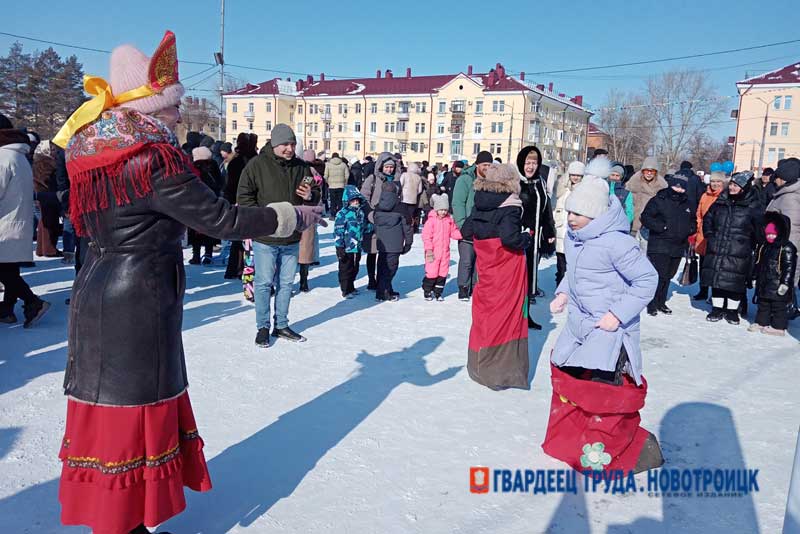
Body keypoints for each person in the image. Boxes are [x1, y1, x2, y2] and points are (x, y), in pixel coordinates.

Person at [49, 32, 322, 534]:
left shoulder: (94, 149)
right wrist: (290, 215)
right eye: (174, 106)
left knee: (112, 410)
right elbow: (220, 218)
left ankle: (124, 521)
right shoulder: (152, 157)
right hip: (138, 297)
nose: (179, 116)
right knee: (133, 414)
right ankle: (123, 524)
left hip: (97, 287)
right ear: (150, 107)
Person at [544, 177, 663, 474]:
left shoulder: (617, 243)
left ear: (595, 214)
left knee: (603, 390)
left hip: (609, 330)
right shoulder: (576, 238)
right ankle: (577, 437)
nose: (570, 218)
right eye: (569, 212)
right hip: (579, 325)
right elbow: (575, 273)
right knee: (571, 381)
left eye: (577, 213)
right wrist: (563, 293)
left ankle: (606, 446)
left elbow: (647, 280)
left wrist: (618, 314)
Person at [237, 123, 321, 347]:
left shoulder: (301, 167)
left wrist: (310, 195)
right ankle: (263, 327)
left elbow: (315, 194)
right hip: (265, 237)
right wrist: (261, 219)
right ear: (274, 144)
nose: (290, 149)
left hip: (291, 236)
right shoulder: (256, 165)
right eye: (285, 144)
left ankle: (281, 324)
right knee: (264, 283)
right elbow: (244, 197)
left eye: (292, 144)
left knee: (286, 283)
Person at [461, 163, 532, 390]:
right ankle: (501, 372)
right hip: (505, 269)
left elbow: (466, 231)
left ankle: (479, 365)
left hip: (485, 270)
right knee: (506, 315)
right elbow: (510, 239)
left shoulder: (479, 201)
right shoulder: (510, 205)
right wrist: (527, 238)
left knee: (485, 314)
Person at [0, 113, 50, 327]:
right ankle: (7, 310)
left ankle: (33, 302)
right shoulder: (18, 155)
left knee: (5, 271)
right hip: (17, 221)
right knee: (10, 270)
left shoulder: (2, 158)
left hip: (5, 223)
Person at [702, 171, 761, 324]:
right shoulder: (721, 200)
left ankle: (732, 311)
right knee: (717, 279)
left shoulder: (753, 205)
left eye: (737, 185)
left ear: (744, 187)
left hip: (739, 251)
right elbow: (708, 218)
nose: (732, 188)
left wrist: (748, 242)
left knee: (735, 282)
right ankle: (717, 309)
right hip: (718, 247)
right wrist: (710, 235)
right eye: (732, 184)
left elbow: (759, 229)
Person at [640, 173, 697, 315]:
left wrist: (689, 229)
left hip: (678, 245)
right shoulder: (659, 199)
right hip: (660, 243)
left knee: (668, 275)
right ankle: (652, 303)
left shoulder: (688, 203)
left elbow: (693, 221)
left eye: (682, 188)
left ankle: (661, 302)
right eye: (676, 186)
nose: (678, 190)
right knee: (659, 274)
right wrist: (661, 227)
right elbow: (645, 217)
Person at [517, 145, 556, 328]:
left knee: (529, 278)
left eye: (534, 163)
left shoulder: (539, 181)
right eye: (527, 162)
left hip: (534, 239)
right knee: (518, 279)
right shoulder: (515, 183)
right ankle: (515, 318)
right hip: (517, 239)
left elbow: (546, 208)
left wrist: (549, 231)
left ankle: (526, 316)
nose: (531, 166)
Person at [453, 152, 492, 301]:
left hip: (483, 227)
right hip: (467, 226)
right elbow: (458, 203)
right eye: (484, 165)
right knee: (467, 260)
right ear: (477, 165)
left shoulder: (491, 181)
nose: (487, 168)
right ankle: (463, 287)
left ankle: (476, 286)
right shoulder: (465, 179)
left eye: (489, 165)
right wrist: (462, 224)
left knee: (479, 261)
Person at [750, 212, 797, 336]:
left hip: (778, 284)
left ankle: (778, 327)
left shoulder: (787, 248)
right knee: (763, 304)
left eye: (773, 234)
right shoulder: (764, 246)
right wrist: (755, 277)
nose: (770, 236)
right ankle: (761, 322)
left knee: (778, 306)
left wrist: (785, 283)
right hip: (764, 283)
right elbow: (759, 263)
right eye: (767, 234)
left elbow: (789, 268)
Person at [360, 152, 399, 290]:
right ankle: (372, 279)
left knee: (386, 253)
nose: (389, 169)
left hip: (389, 222)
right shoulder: (372, 179)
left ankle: (382, 280)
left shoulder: (396, 182)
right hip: (373, 220)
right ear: (381, 166)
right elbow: (364, 198)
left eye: (391, 167)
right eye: (387, 167)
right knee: (372, 252)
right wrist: (370, 215)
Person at [373, 181, 412, 301]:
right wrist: (408, 243)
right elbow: (407, 227)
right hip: (395, 244)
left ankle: (384, 289)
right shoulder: (401, 207)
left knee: (382, 267)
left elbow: (375, 224)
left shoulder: (377, 206)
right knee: (390, 268)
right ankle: (383, 292)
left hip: (382, 243)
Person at [222, 133, 255, 277]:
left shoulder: (235, 161)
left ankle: (236, 268)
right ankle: (244, 267)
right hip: (249, 201)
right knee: (248, 237)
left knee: (238, 237)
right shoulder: (254, 160)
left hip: (237, 201)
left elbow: (229, 185)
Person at [692, 170, 726, 301]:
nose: (715, 184)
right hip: (703, 235)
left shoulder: (725, 196)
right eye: (713, 181)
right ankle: (703, 290)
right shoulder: (704, 195)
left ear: (723, 183)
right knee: (703, 265)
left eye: (718, 181)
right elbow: (699, 214)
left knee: (716, 266)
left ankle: (715, 293)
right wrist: (698, 229)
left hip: (717, 235)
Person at [188, 146, 225, 265]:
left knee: (195, 229)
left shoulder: (193, 166)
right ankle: (208, 254)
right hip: (211, 200)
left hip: (195, 203)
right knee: (209, 229)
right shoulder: (213, 165)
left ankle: (196, 255)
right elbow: (220, 182)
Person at [422, 193, 462, 301]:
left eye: (445, 210)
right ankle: (427, 290)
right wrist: (429, 249)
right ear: (436, 209)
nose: (443, 212)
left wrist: (463, 234)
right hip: (433, 252)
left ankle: (438, 292)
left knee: (443, 273)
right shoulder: (431, 221)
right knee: (431, 272)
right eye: (441, 210)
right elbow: (426, 236)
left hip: (445, 252)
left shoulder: (449, 220)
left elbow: (453, 232)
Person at [334, 185, 371, 298]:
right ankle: (345, 289)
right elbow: (338, 231)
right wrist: (339, 246)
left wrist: (373, 227)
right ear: (347, 201)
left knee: (355, 267)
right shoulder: (343, 213)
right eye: (353, 200)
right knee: (346, 268)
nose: (356, 202)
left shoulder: (360, 213)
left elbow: (364, 227)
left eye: (357, 200)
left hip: (357, 246)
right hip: (346, 247)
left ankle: (351, 286)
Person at [553, 161, 585, 286]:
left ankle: (571, 288)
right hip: (561, 230)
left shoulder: (584, 192)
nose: (575, 178)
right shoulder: (562, 189)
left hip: (575, 233)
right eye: (573, 174)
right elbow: (555, 209)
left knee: (573, 265)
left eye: (578, 175)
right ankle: (560, 287)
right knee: (561, 265)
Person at [626, 156, 667, 254]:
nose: (649, 173)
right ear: (642, 171)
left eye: (652, 171)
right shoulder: (633, 183)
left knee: (645, 256)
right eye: (646, 170)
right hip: (632, 225)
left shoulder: (662, 187)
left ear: (656, 172)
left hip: (649, 228)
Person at [32, 140, 63, 257]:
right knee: (50, 223)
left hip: (41, 194)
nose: (55, 152)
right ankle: (49, 249)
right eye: (52, 149)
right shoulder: (47, 162)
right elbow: (47, 179)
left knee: (43, 223)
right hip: (48, 194)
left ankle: (41, 249)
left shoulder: (37, 160)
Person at [324, 152, 348, 219]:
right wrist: (345, 182)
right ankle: (340, 215)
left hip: (332, 186)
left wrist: (328, 182)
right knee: (340, 201)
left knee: (332, 201)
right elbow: (347, 175)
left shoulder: (328, 165)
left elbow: (325, 175)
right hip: (341, 186)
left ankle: (332, 215)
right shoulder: (343, 165)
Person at [399, 162, 423, 230]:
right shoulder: (418, 177)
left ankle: (402, 228)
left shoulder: (404, 174)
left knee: (403, 214)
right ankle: (409, 228)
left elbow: (400, 185)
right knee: (410, 215)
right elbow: (420, 190)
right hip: (413, 200)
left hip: (403, 198)